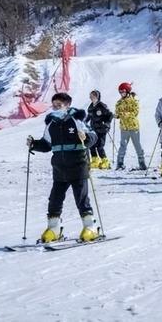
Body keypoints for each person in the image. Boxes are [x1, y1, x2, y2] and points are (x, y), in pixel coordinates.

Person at [26, 92, 99, 243]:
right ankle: (54, 229)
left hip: (78, 165)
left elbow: (93, 136)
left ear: (67, 105)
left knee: (81, 198)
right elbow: (47, 144)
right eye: (54, 105)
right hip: (59, 168)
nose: (56, 108)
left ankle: (90, 227)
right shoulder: (51, 123)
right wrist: (34, 144)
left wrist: (87, 138)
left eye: (59, 105)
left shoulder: (77, 119)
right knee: (55, 199)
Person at [114, 82, 147, 171]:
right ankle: (120, 163)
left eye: (123, 91)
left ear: (128, 91)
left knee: (137, 145)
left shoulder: (133, 101)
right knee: (122, 145)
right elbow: (117, 113)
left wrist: (123, 114)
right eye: (120, 92)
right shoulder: (119, 102)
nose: (122, 93)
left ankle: (142, 162)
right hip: (124, 128)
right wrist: (116, 115)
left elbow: (135, 112)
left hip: (133, 127)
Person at [85, 90, 113, 169]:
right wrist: (84, 122)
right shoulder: (91, 106)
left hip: (102, 128)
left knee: (100, 146)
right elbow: (89, 116)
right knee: (92, 145)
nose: (92, 97)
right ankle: (95, 160)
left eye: (94, 96)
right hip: (93, 129)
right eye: (91, 96)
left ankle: (105, 162)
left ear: (97, 96)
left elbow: (110, 115)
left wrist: (107, 123)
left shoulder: (102, 106)